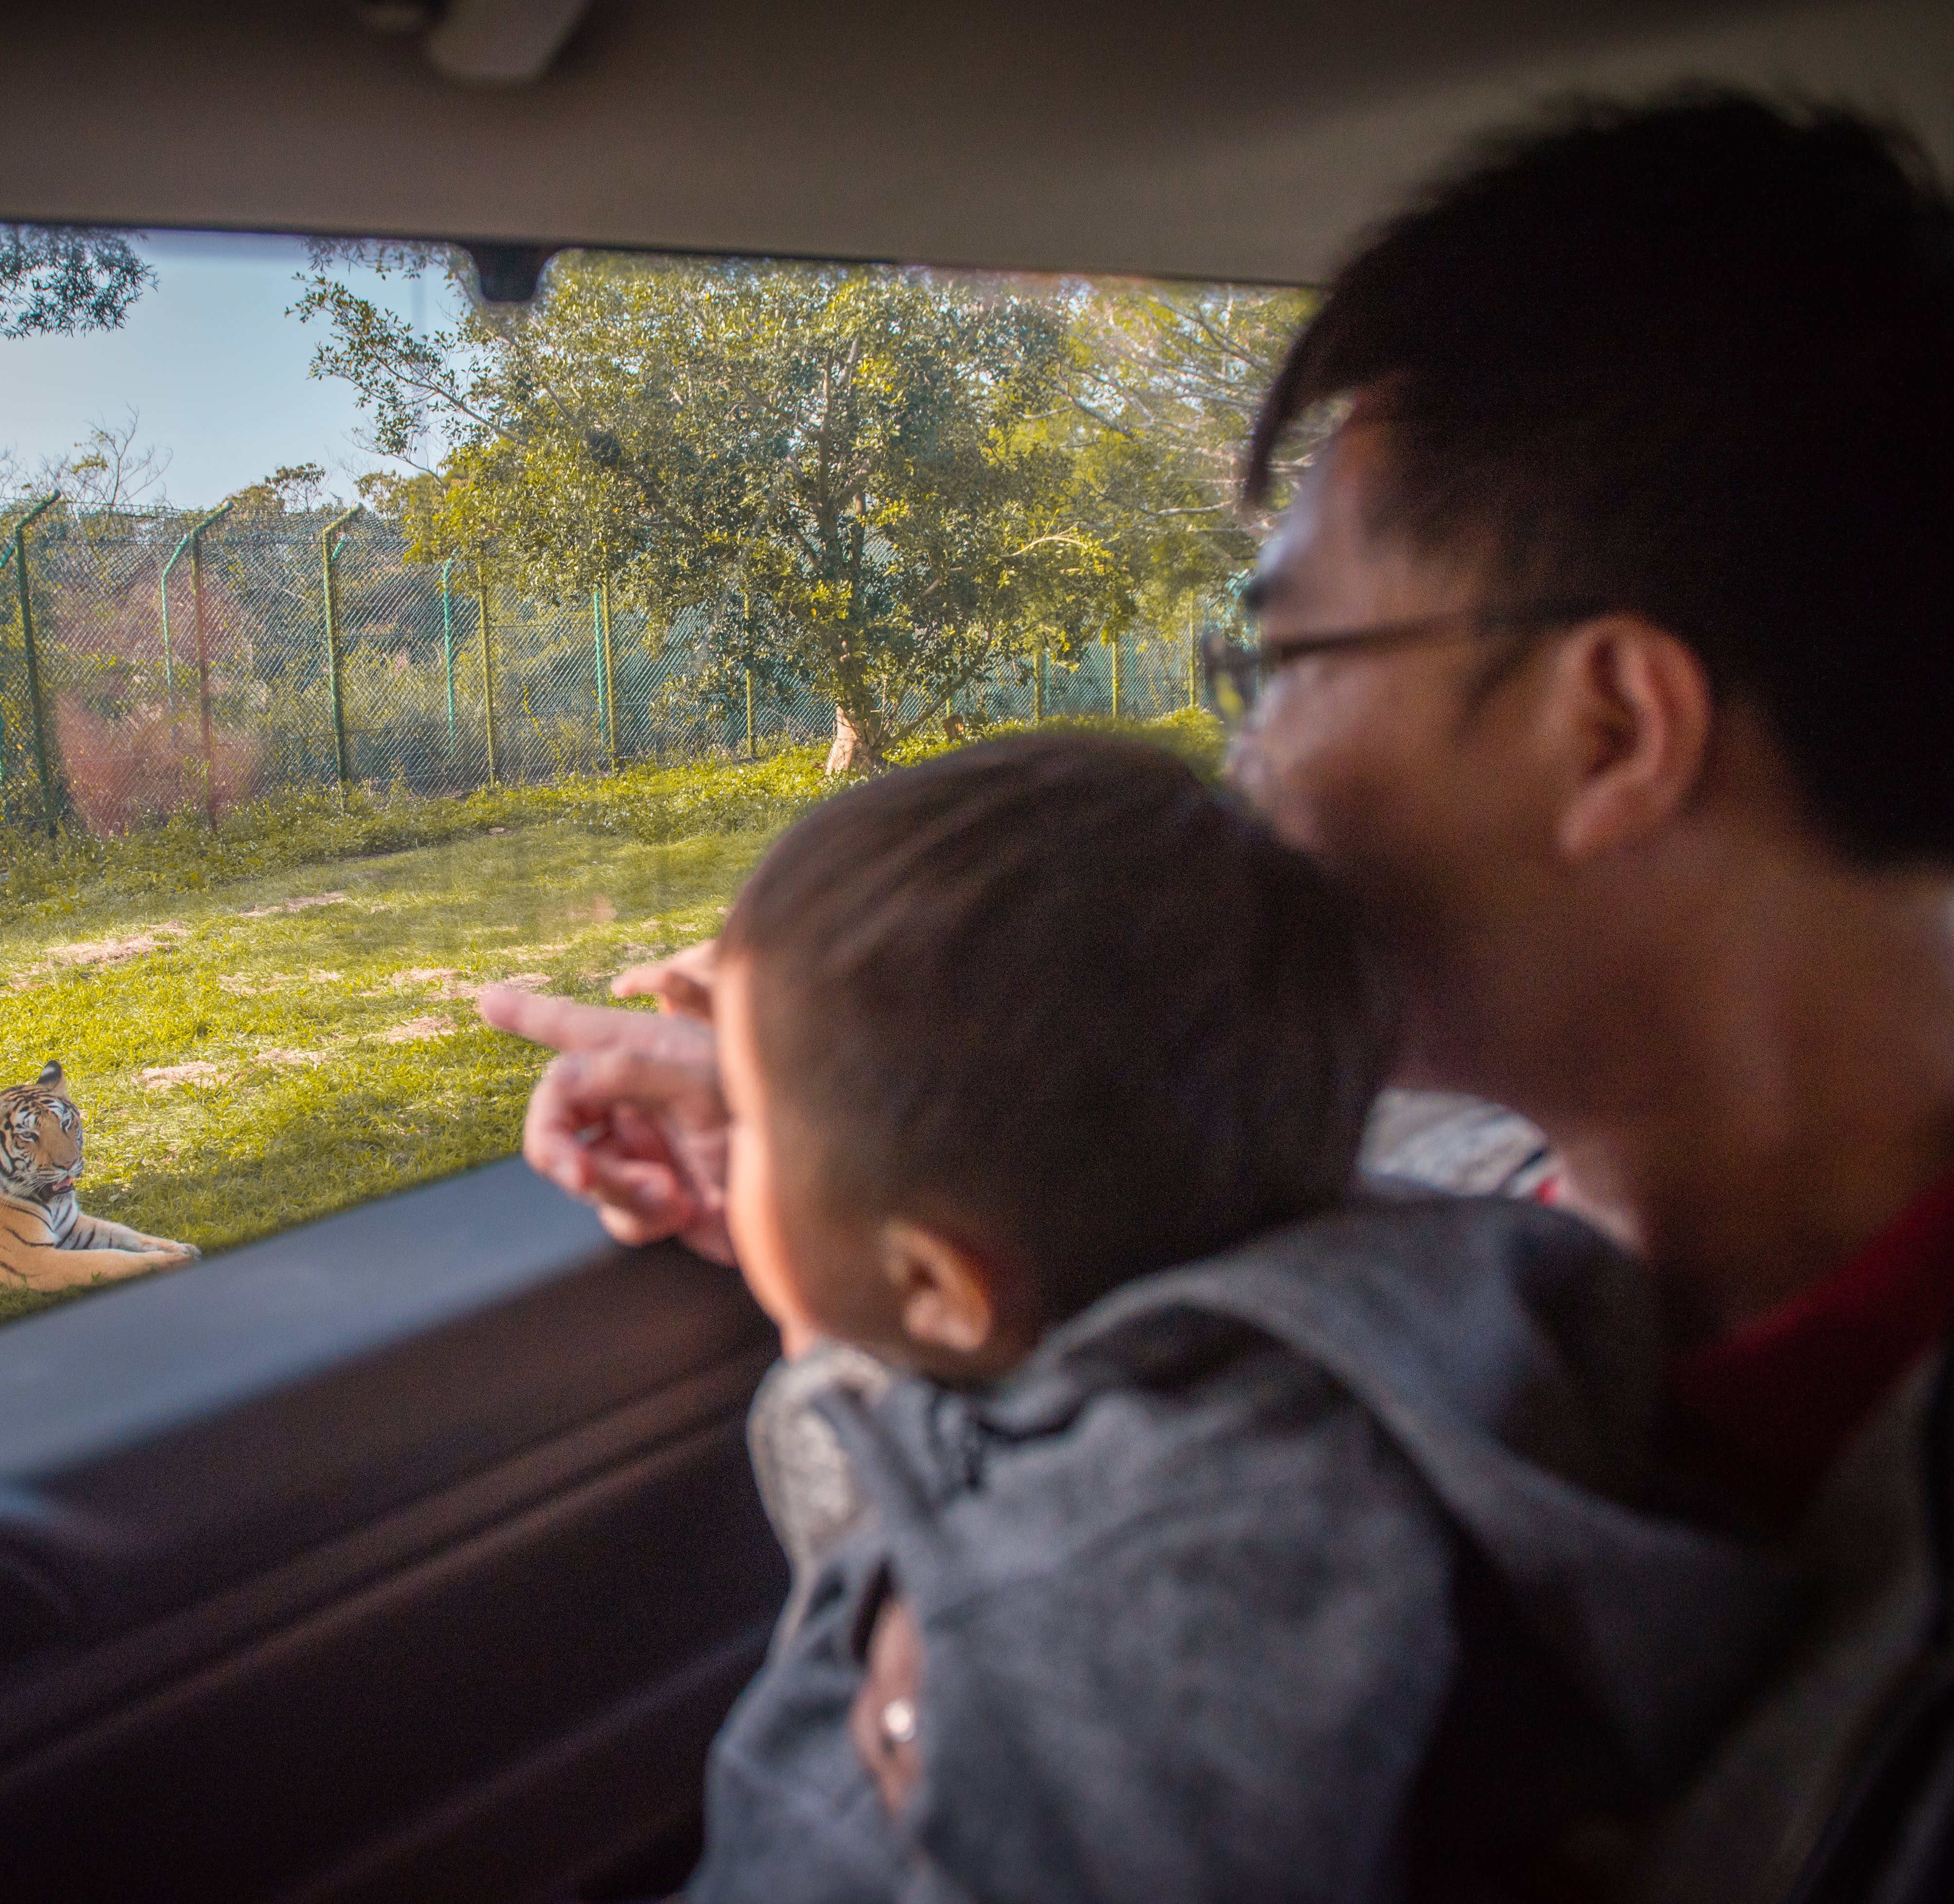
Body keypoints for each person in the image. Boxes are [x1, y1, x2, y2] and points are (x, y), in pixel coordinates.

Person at [480, 92, 1954, 1899]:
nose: (1238, 760)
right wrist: (854, 1155)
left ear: (1611, 730)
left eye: (1280, 659)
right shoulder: (1395, 1200)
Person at [670, 730, 1777, 1903]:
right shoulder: (1346, 1316)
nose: (720, 1129)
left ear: (939, 1287)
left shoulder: (1175, 1573)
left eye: (740, 1113)